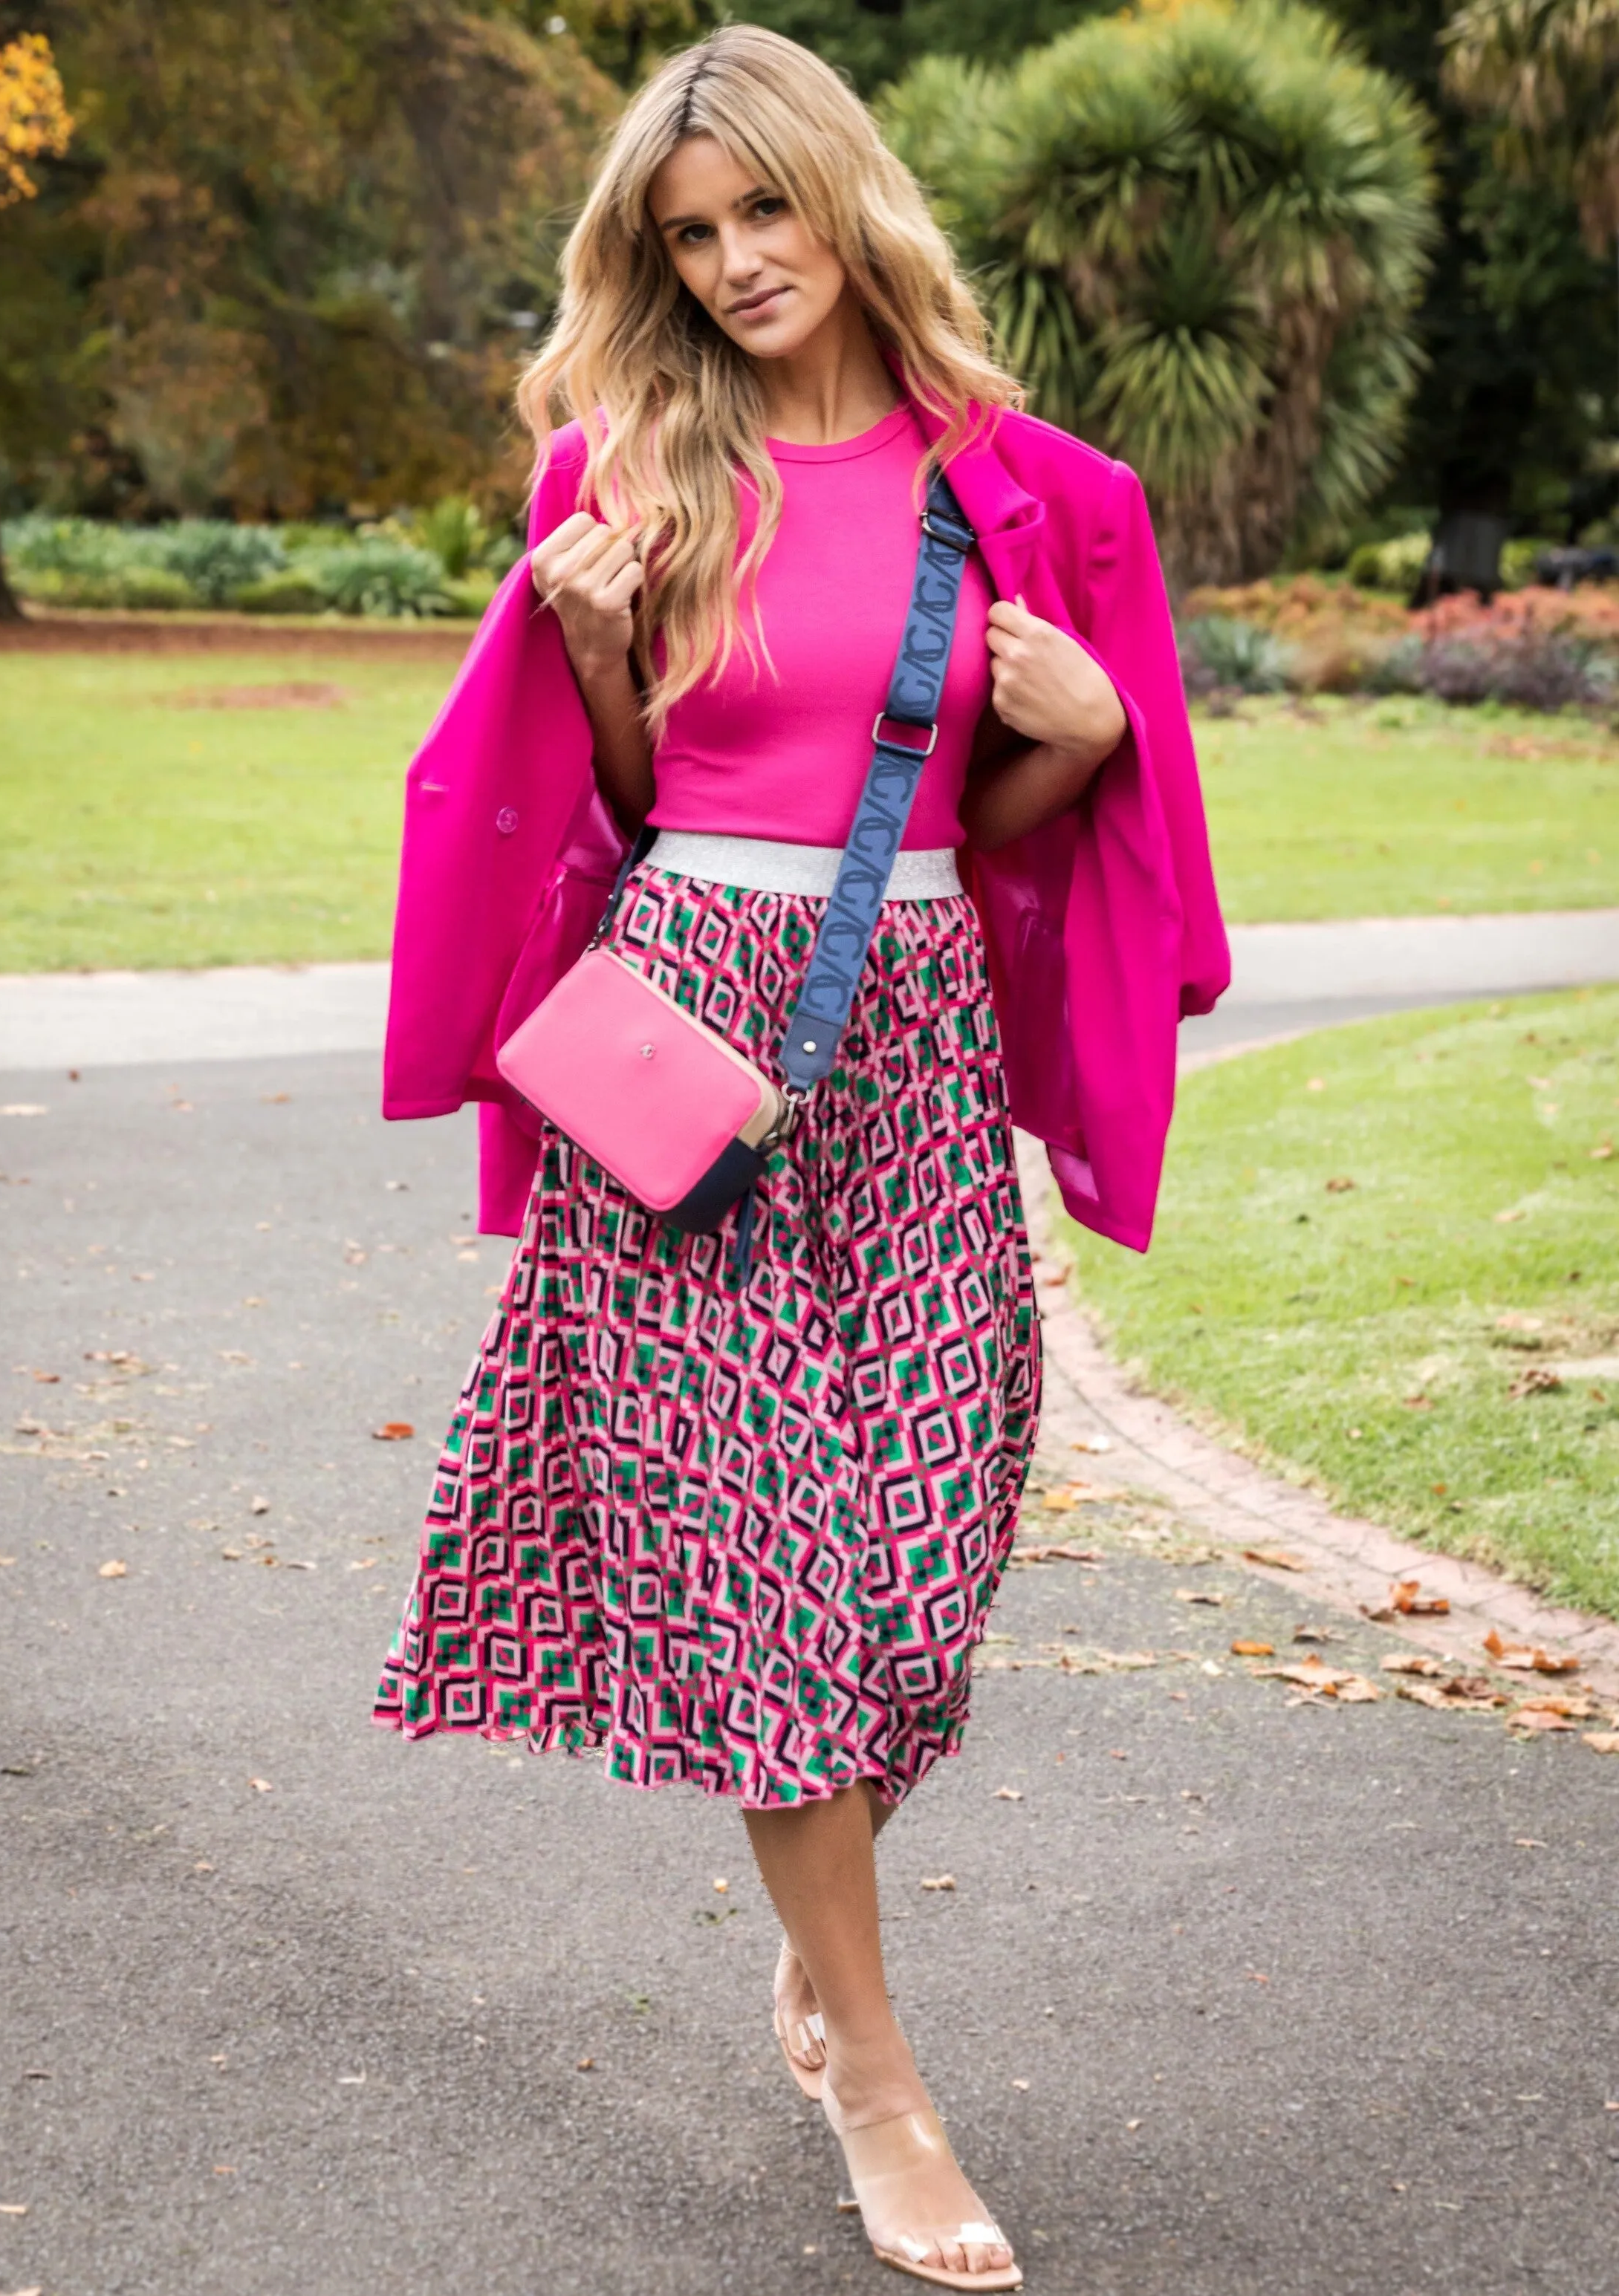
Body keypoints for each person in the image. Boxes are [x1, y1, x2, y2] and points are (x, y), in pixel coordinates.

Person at [374, 25, 1227, 2290]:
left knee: (926, 1559)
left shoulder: (1038, 493)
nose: (738, 263)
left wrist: (1098, 732)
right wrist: (594, 654)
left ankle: (815, 1912)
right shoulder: (625, 471)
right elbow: (629, 812)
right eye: (692, 234)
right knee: (775, 1572)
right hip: (684, 1051)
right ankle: (875, 2063)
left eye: (765, 210)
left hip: (916, 1049)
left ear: (846, 200)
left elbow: (1002, 836)